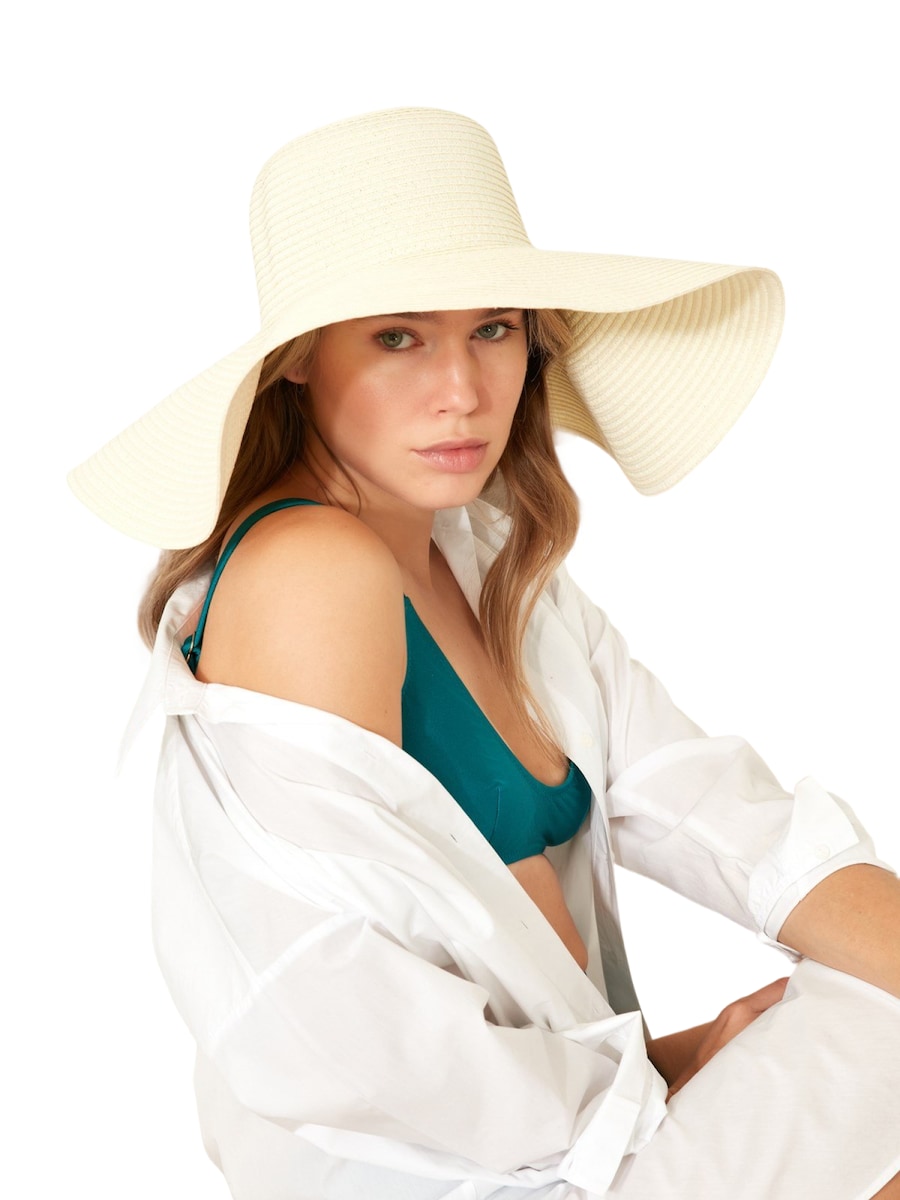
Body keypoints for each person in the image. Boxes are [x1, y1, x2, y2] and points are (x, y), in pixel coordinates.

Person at [69, 108, 900, 1199]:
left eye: (495, 328)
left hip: (586, 1144)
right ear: (297, 362)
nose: (463, 389)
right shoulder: (311, 573)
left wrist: (680, 1065)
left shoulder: (491, 558)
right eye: (399, 337)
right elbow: (340, 1024)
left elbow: (727, 820)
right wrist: (657, 1084)